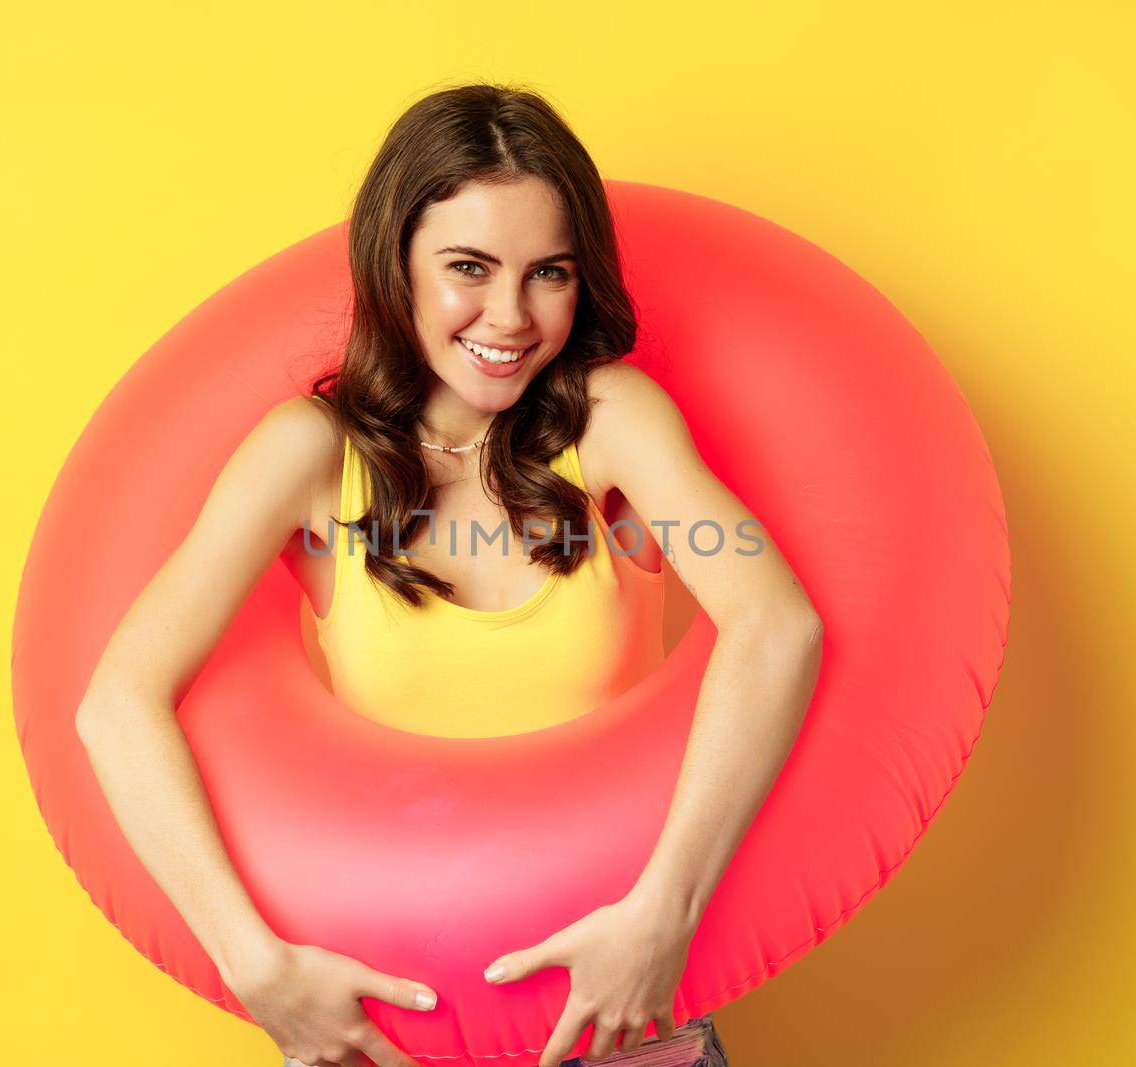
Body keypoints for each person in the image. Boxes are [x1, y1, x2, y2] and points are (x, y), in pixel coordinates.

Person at [74, 81, 823, 1067]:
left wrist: (661, 913)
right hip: (388, 1034)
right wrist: (251, 961)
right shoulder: (311, 453)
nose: (509, 315)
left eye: (547, 271)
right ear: (398, 266)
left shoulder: (608, 421)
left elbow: (778, 625)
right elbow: (116, 699)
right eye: (468, 266)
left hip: (619, 1019)